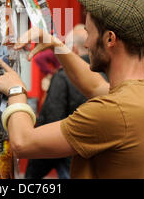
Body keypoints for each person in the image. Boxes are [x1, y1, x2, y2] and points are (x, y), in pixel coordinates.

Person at [0, 0, 144, 178]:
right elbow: (95, 87)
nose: (87, 43)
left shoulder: (114, 111)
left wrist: (16, 91)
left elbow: (23, 143)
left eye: (89, 33)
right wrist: (58, 46)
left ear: (109, 39)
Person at [25, 24, 89, 179]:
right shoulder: (109, 74)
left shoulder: (63, 77)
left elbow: (50, 124)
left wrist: (31, 175)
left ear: (73, 48)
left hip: (70, 160)